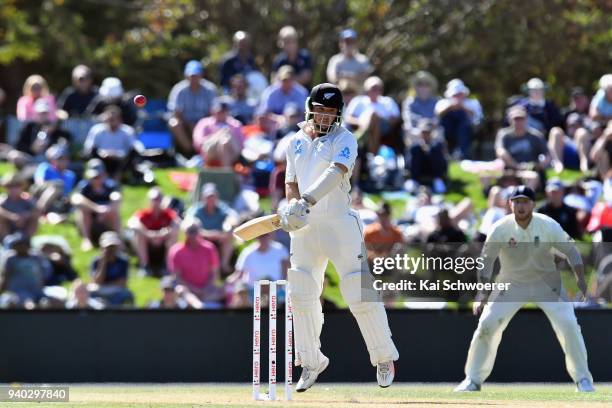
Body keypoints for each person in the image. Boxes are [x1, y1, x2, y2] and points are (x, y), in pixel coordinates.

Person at [279, 82, 399, 391]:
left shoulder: (345, 138)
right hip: (306, 227)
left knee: (357, 290)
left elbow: (336, 171)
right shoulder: (294, 141)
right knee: (302, 292)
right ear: (310, 109)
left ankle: (384, 357)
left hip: (339, 224)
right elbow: (290, 181)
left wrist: (305, 201)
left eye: (330, 112)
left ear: (338, 114)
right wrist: (292, 205)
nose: (324, 117)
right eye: (320, 111)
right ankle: (310, 361)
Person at [454, 186, 595, 393]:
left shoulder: (548, 225)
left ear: (533, 204)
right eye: (516, 202)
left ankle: (583, 380)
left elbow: (571, 252)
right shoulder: (500, 228)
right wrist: (482, 293)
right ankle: (472, 380)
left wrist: (581, 280)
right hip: (511, 283)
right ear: (510, 204)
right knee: (487, 324)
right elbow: (486, 262)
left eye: (525, 201)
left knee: (569, 325)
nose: (520, 206)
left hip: (547, 283)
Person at [167, 60, 218, 157]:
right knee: (174, 124)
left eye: (196, 76)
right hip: (185, 122)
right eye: (191, 76)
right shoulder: (179, 90)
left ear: (201, 75)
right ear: (186, 76)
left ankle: (205, 151)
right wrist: (189, 124)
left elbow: (214, 111)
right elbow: (176, 112)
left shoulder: (210, 89)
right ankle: (191, 153)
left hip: (205, 123)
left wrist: (200, 124)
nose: (193, 79)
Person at [167, 219, 222, 303]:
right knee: (181, 290)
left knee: (225, 290)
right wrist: (194, 290)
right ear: (184, 232)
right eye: (190, 231)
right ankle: (199, 307)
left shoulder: (209, 249)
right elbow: (177, 277)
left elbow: (214, 273)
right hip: (187, 290)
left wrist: (206, 288)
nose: (192, 235)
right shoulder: (176, 251)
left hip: (207, 289)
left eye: (194, 231)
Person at [185, 183, 237, 273]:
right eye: (208, 197)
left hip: (220, 238)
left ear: (217, 197)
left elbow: (233, 217)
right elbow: (189, 221)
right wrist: (207, 234)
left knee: (229, 233)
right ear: (203, 198)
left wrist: (227, 225)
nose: (210, 199)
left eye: (213, 196)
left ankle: (223, 265)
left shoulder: (222, 208)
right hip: (201, 237)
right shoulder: (196, 209)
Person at [128, 187, 179, 276]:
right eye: (153, 199)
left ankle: (166, 265)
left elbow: (177, 224)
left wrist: (163, 234)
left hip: (163, 246)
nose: (156, 202)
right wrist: (148, 234)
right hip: (147, 246)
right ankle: (145, 266)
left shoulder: (168, 214)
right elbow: (132, 223)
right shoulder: (143, 213)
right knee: (138, 234)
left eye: (158, 199)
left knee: (173, 235)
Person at [495, 105, 550, 188]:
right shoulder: (504, 134)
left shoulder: (536, 135)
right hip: (511, 170)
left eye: (521, 119)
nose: (518, 122)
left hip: (532, 169)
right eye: (516, 119)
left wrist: (541, 164)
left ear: (526, 119)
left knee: (533, 176)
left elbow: (547, 154)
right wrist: (516, 166)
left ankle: (527, 197)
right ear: (510, 120)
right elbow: (500, 152)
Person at [71, 160, 121, 250]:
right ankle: (87, 240)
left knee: (114, 213)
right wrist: (96, 209)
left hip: (106, 219)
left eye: (99, 176)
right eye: (94, 177)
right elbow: (76, 199)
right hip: (89, 221)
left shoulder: (110, 185)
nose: (96, 179)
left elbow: (117, 198)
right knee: (83, 211)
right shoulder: (84, 186)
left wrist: (106, 210)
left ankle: (119, 242)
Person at [344, 76, 401, 154]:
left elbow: (396, 118)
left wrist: (377, 119)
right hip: (360, 125)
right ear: (367, 90)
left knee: (374, 116)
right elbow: (348, 118)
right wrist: (361, 122)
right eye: (373, 88)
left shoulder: (388, 101)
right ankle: (372, 154)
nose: (376, 91)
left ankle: (360, 138)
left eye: (378, 89)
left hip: (383, 127)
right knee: (373, 119)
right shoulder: (358, 101)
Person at [83, 105, 136, 180]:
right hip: (102, 159)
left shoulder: (127, 131)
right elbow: (89, 147)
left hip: (121, 160)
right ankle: (101, 176)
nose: (110, 122)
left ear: (120, 119)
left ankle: (120, 176)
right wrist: (103, 153)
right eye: (109, 119)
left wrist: (116, 154)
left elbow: (132, 148)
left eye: (113, 119)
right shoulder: (96, 130)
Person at [435, 79, 483, 159]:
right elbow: (437, 115)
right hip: (447, 130)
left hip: (468, 131)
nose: (457, 96)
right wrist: (450, 107)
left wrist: (462, 107)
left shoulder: (473, 103)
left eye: (459, 94)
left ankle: (463, 154)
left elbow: (477, 118)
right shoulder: (443, 103)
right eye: (455, 94)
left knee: (463, 126)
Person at [192, 97, 244, 167]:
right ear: (213, 111)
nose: (221, 114)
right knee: (223, 135)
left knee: (225, 141)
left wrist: (226, 136)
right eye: (219, 111)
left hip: (232, 151)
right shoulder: (204, 123)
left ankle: (225, 172)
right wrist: (217, 135)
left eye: (224, 111)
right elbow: (198, 143)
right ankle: (226, 172)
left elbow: (241, 145)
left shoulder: (235, 124)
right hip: (210, 150)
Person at [89, 231, 133, 306]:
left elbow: (122, 283)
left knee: (126, 294)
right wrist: (103, 263)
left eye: (113, 247)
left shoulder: (123, 261)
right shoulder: (96, 261)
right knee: (89, 293)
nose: (111, 250)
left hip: (115, 290)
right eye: (108, 247)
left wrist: (106, 284)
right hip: (100, 289)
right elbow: (96, 281)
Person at [32, 144, 76, 216]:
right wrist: (55, 185)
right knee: (58, 185)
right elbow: (39, 182)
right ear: (53, 160)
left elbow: (67, 192)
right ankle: (39, 210)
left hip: (58, 198)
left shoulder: (70, 175)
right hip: (39, 191)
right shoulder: (45, 167)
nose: (63, 161)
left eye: (65, 159)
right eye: (60, 159)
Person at [408, 118, 448, 193]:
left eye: (427, 132)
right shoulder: (415, 147)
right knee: (416, 151)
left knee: (436, 151)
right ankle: (414, 181)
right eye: (423, 132)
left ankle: (437, 180)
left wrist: (429, 151)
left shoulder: (437, 146)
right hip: (419, 170)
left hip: (433, 171)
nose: (425, 135)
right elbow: (410, 163)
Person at [0, 174, 38, 240]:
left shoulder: (27, 199)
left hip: (24, 225)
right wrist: (12, 216)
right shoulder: (3, 199)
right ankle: (6, 239)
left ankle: (27, 240)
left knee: (34, 219)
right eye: (10, 186)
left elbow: (37, 211)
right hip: (7, 227)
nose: (14, 189)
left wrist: (26, 215)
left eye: (17, 186)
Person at [402, 71, 440, 136]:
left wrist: (428, 123)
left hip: (433, 132)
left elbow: (438, 118)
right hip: (415, 132)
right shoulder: (409, 102)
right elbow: (407, 118)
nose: (423, 87)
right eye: (420, 84)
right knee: (406, 127)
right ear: (416, 87)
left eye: (427, 84)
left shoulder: (437, 101)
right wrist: (421, 122)